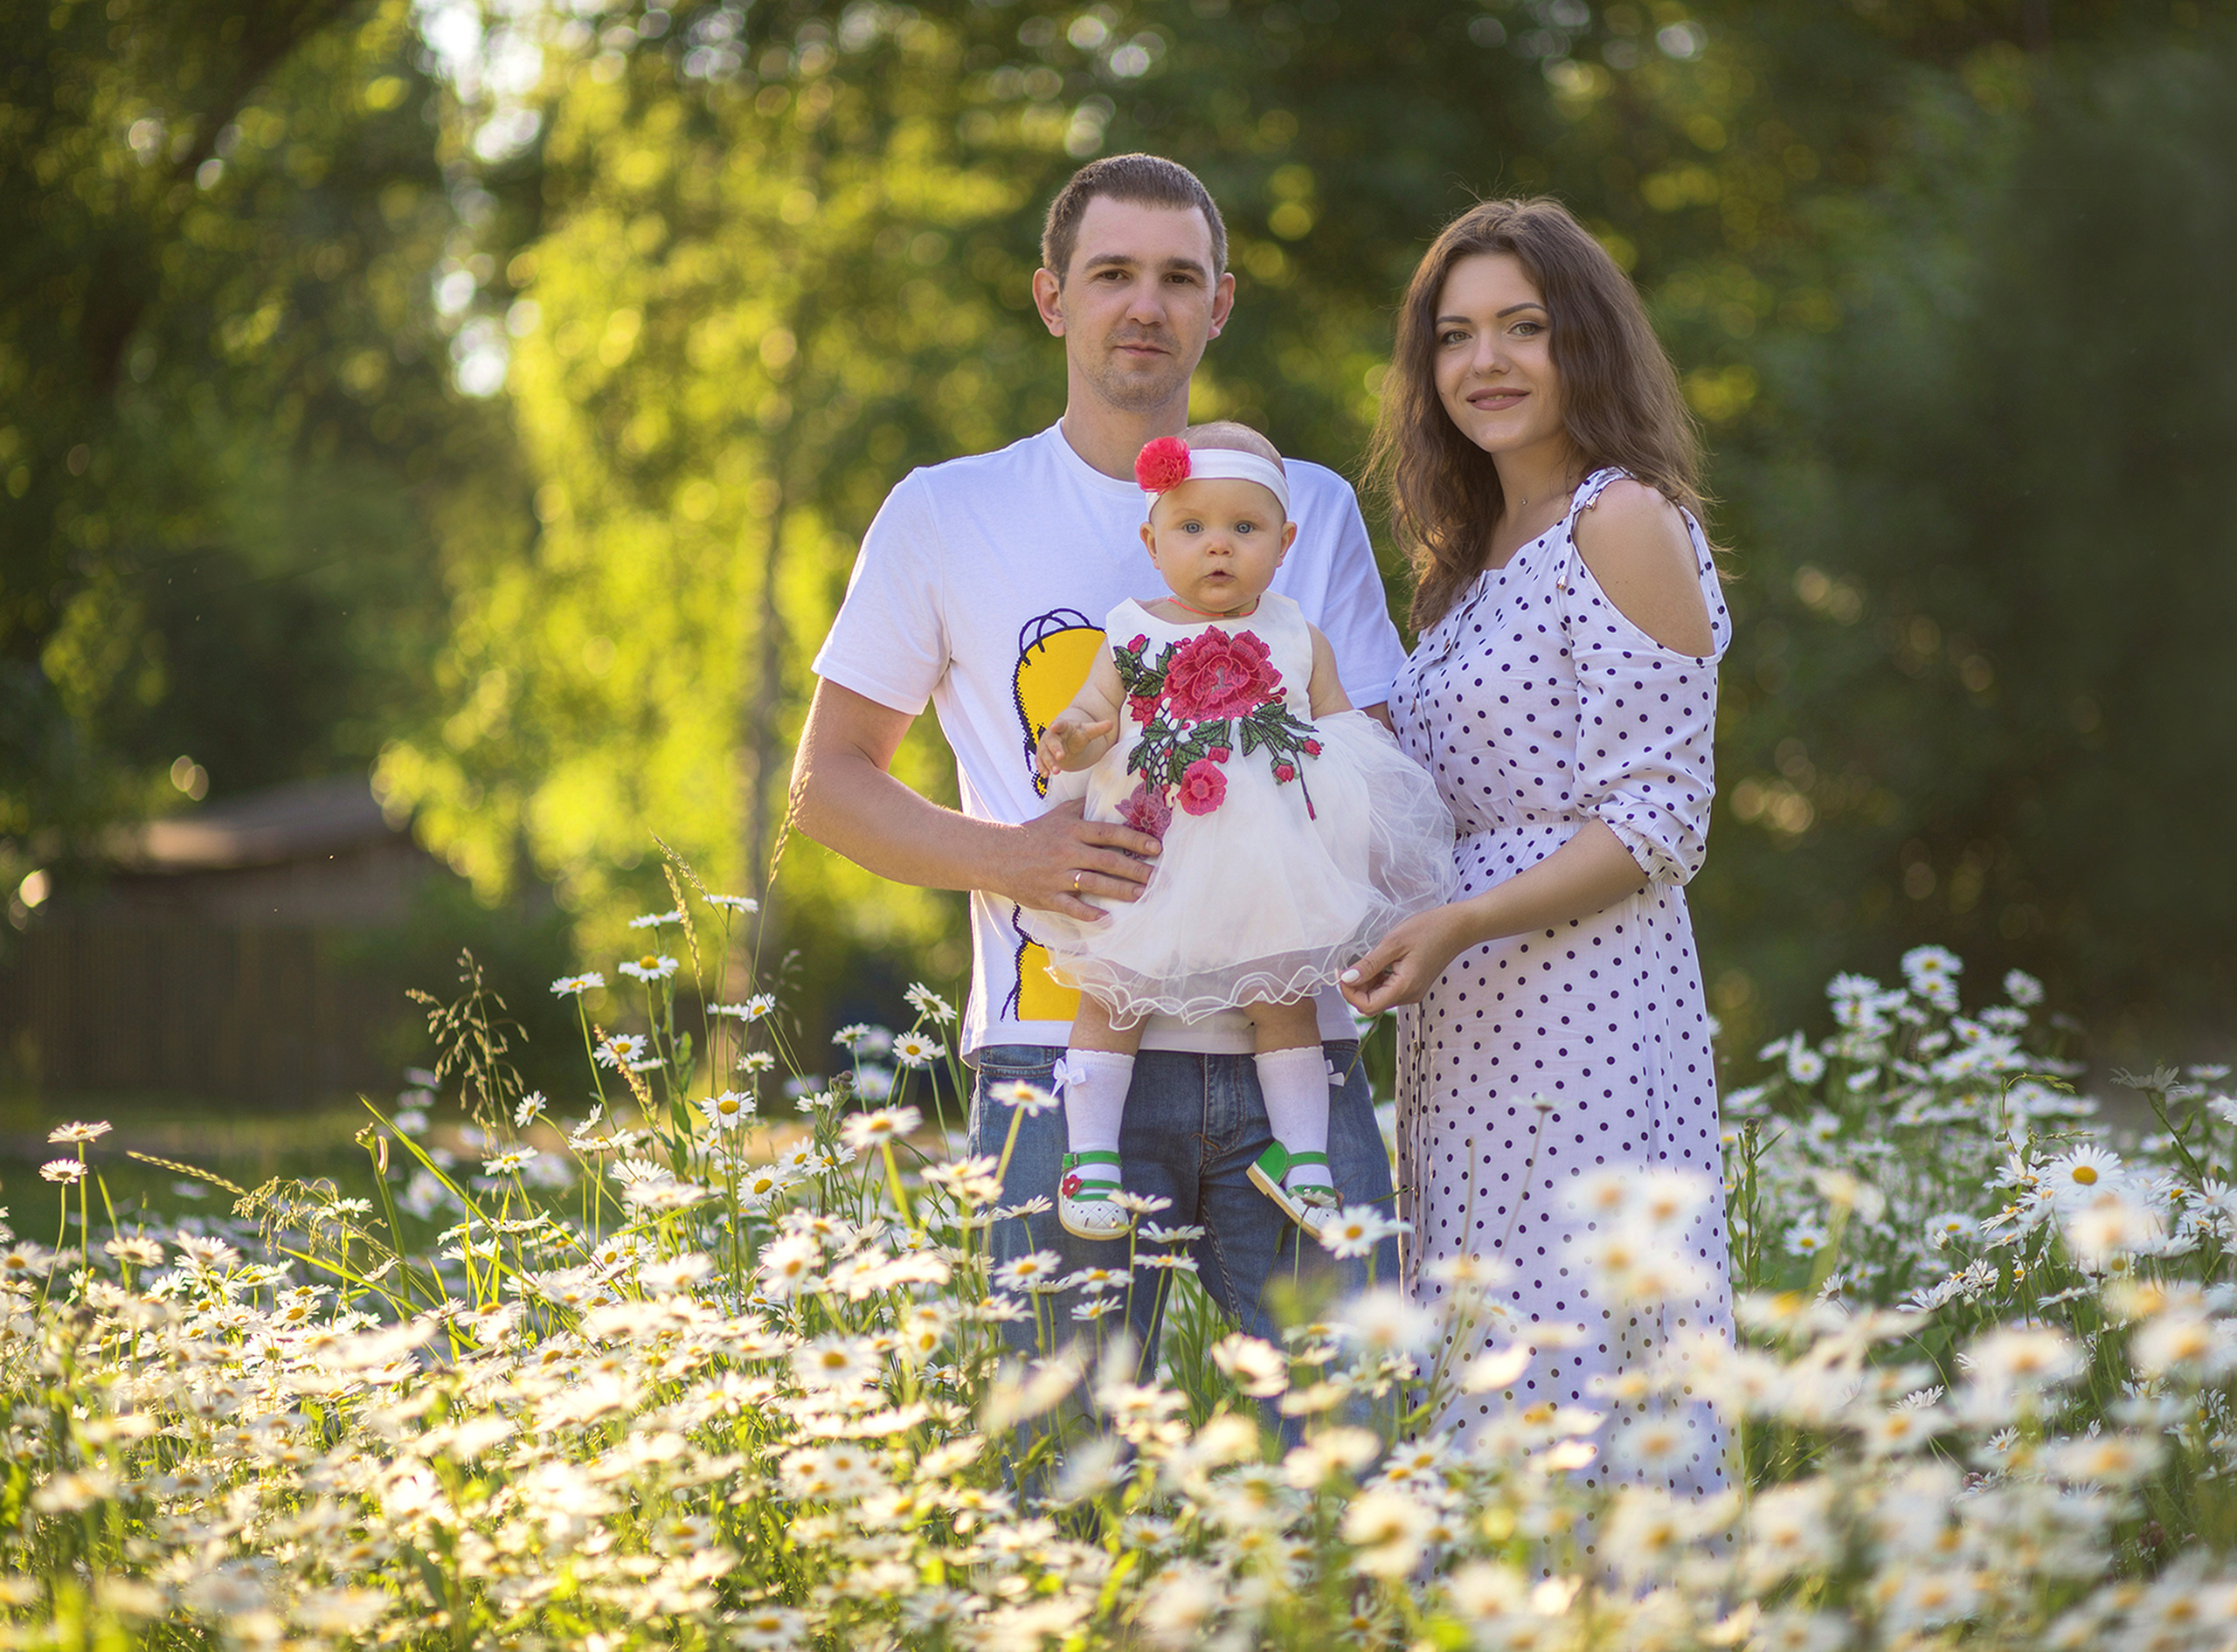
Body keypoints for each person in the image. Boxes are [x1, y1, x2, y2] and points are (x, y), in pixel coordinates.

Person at [791, 156, 1405, 1354]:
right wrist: (1014, 855)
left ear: (1219, 305)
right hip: (1057, 1049)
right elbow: (829, 780)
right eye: (1112, 273)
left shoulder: (1310, 507)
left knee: (1357, 1445)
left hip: (1295, 1043)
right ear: (1051, 297)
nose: (1146, 305)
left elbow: (1369, 752)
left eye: (1180, 278)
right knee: (1053, 1474)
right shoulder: (946, 509)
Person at [1340, 197, 1734, 1503]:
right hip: (1465, 1024)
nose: (1486, 362)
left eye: (1524, 325)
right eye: (1454, 336)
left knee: (1589, 1367)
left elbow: (1660, 818)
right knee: (1482, 1362)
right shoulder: (1458, 562)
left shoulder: (1620, 522)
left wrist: (1458, 920)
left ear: (1586, 342)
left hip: (1592, 1004)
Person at [1023, 424, 1452, 1241]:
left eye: (1244, 529)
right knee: (1115, 990)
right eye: (1192, 528)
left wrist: (1362, 822)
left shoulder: (1297, 637)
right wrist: (1073, 735)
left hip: (1264, 867)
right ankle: (1091, 1155)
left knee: (1283, 996)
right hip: (1149, 858)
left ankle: (1302, 1156)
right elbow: (1092, 711)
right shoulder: (1130, 632)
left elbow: (1350, 741)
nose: (1217, 547)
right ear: (1152, 542)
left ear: (1285, 543)